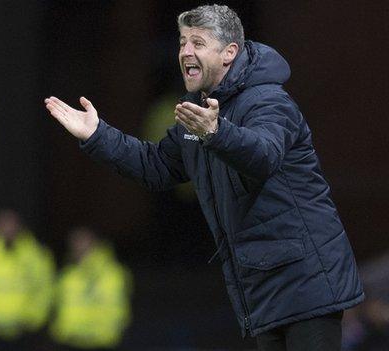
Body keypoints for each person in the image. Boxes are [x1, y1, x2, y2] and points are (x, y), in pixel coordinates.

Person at [44, 4, 363, 350]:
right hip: (264, 286)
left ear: (229, 53)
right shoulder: (198, 111)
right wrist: (97, 135)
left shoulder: (268, 101)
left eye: (198, 42)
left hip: (306, 281)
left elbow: (263, 156)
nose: (185, 52)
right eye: (182, 42)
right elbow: (157, 167)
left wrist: (217, 133)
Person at [0, 209, 55, 350]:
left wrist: (33, 318)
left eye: (12, 224)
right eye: (4, 223)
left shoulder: (36, 255)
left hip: (25, 331)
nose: (9, 228)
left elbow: (44, 289)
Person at [49, 227, 132, 350]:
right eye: (75, 242)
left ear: (95, 244)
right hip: (70, 340)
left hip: (100, 341)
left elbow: (118, 307)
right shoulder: (68, 273)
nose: (79, 246)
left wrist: (108, 331)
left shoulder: (112, 272)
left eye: (83, 241)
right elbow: (59, 304)